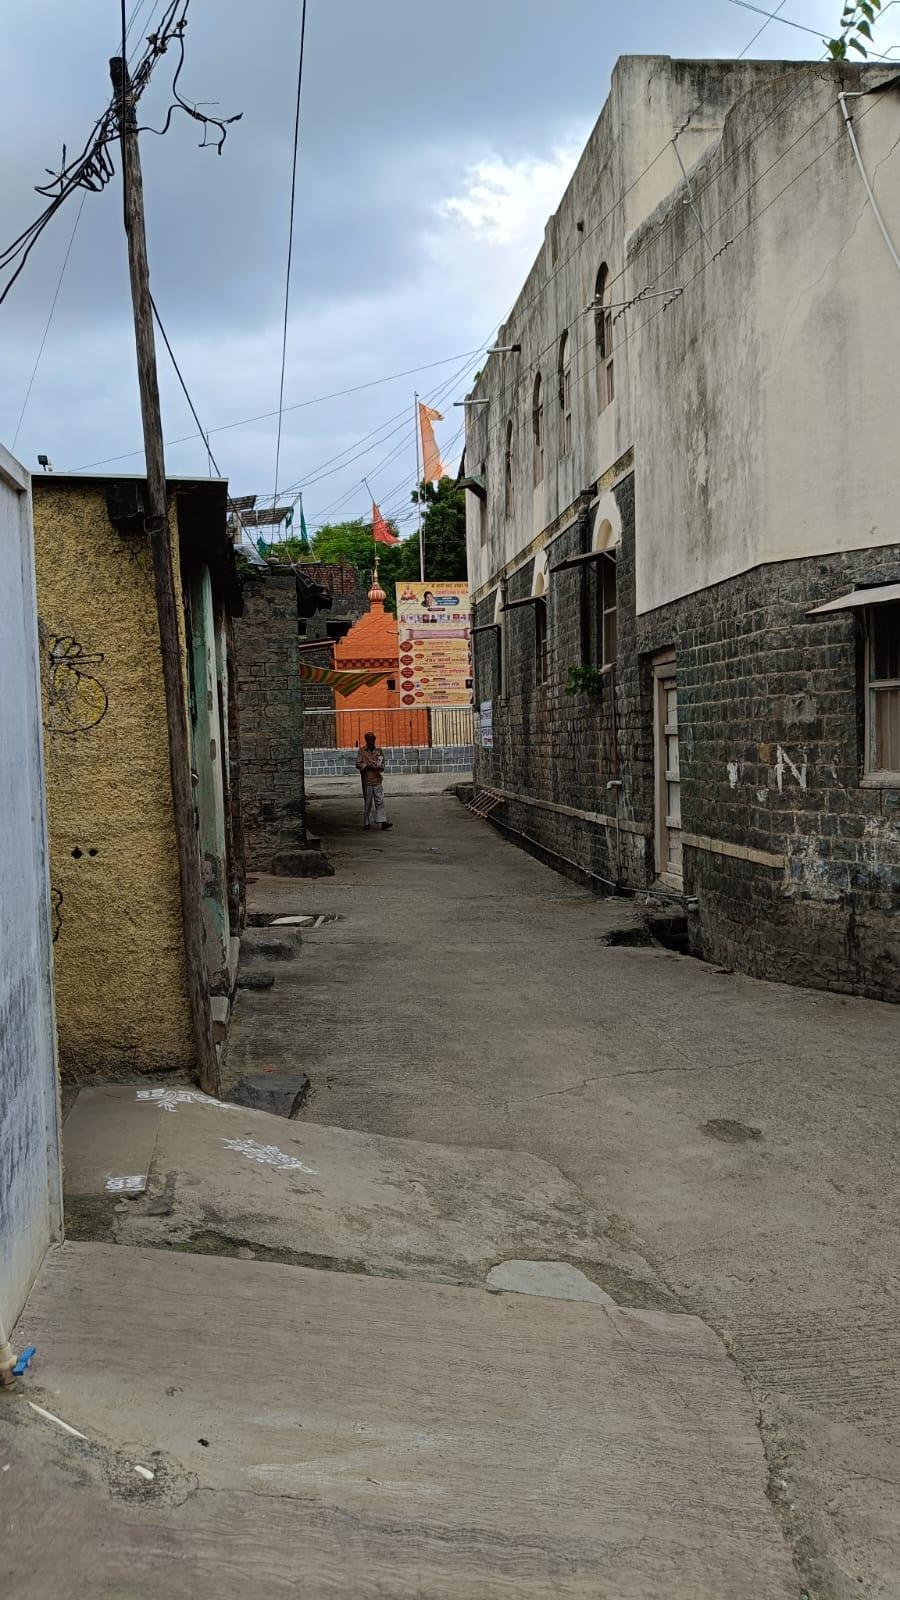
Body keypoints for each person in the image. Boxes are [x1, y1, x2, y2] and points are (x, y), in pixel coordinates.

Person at [355, 732, 393, 831]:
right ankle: (366, 822)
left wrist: (379, 766)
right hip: (367, 780)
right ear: (367, 741)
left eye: (373, 740)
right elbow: (358, 764)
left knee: (380, 801)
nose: (372, 742)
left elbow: (382, 765)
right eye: (369, 740)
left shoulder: (379, 751)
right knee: (368, 802)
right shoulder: (362, 751)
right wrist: (366, 766)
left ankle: (383, 821)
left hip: (377, 780)